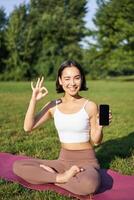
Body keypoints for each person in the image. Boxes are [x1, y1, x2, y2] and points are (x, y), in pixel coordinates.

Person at [13, 60, 112, 196]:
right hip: (63, 160)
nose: (72, 83)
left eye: (77, 78)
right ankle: (61, 178)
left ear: (82, 79)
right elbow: (27, 127)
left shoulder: (90, 106)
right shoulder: (53, 105)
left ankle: (54, 178)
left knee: (89, 184)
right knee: (18, 166)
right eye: (67, 78)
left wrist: (100, 127)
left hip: (87, 162)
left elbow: (96, 141)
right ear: (60, 80)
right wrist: (33, 100)